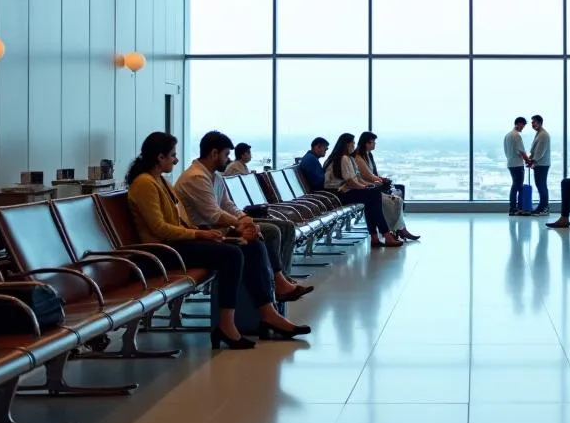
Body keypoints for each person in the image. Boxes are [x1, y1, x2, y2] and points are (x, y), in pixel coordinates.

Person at [125, 132, 311, 351]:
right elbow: (160, 229)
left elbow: (180, 220)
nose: (176, 160)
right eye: (172, 155)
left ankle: (268, 313)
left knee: (250, 244)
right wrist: (202, 234)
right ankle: (226, 324)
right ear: (159, 157)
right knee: (232, 254)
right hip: (163, 251)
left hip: (177, 243)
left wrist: (224, 231)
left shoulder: (160, 181)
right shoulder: (145, 184)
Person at [175, 130, 312, 303]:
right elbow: (212, 215)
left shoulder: (214, 177)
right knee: (269, 231)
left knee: (284, 226)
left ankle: (282, 279)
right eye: (226, 154)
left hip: (221, 227)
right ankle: (278, 283)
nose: (228, 159)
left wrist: (243, 218)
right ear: (214, 153)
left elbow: (228, 204)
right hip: (208, 231)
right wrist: (241, 222)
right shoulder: (195, 178)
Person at [323, 132, 403, 249]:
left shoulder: (348, 158)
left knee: (372, 199)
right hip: (339, 194)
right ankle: (385, 235)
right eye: (352, 143)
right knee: (373, 197)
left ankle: (377, 237)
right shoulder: (343, 158)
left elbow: (358, 179)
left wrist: (367, 186)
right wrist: (365, 187)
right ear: (346, 144)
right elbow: (351, 182)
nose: (354, 145)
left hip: (345, 192)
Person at [355, 131, 420, 241]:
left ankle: (400, 229)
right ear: (366, 143)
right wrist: (380, 180)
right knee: (395, 201)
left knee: (398, 196)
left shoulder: (368, 155)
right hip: (369, 187)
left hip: (373, 185)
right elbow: (368, 175)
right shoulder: (359, 157)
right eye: (373, 142)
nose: (374, 144)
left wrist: (380, 179)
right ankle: (400, 230)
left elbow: (373, 173)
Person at [503, 116, 532, 216]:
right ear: (519, 123)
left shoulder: (507, 135)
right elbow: (522, 152)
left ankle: (514, 208)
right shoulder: (516, 136)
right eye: (523, 125)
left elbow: (506, 151)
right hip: (517, 165)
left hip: (510, 163)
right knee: (518, 186)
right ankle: (516, 208)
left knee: (515, 186)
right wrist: (528, 161)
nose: (523, 128)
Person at [528, 114, 551, 216]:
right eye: (532, 122)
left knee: (541, 186)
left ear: (540, 123)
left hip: (541, 164)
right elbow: (536, 150)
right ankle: (543, 207)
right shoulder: (539, 133)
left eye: (534, 122)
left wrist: (532, 161)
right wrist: (531, 159)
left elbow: (540, 152)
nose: (532, 124)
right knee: (541, 185)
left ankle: (543, 208)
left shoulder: (543, 135)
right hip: (540, 164)